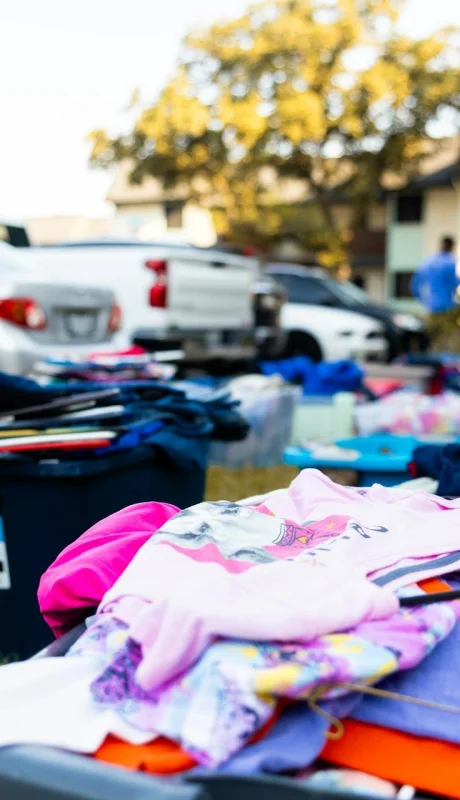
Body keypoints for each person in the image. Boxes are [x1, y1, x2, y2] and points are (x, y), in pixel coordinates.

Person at [411, 236, 460, 351]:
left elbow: (414, 285)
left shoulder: (428, 262)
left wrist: (423, 300)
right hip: (447, 309)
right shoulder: (450, 262)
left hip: (430, 308)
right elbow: (455, 283)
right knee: (447, 341)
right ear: (451, 247)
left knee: (430, 339)